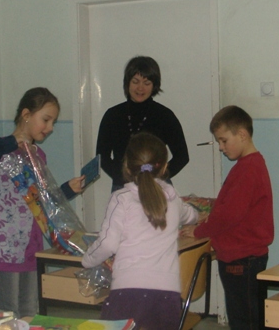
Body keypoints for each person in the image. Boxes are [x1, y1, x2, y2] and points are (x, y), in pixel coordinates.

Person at [0, 87, 85, 318]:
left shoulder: (39, 155)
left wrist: (69, 188)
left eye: (53, 122)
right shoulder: (1, 149)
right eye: (46, 120)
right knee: (7, 314)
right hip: (3, 247)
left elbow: (43, 201)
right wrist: (10, 142)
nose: (50, 128)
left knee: (29, 312)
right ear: (26, 114)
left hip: (30, 246)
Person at [82, 132, 198, 330]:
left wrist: (87, 259)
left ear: (127, 166)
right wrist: (197, 216)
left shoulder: (121, 198)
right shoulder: (173, 198)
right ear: (164, 167)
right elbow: (191, 215)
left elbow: (108, 244)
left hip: (128, 292)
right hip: (167, 295)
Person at [180, 105, 273, 330]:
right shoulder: (248, 165)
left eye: (223, 140)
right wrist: (209, 217)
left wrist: (199, 231)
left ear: (242, 134)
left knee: (244, 320)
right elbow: (230, 208)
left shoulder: (248, 169)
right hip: (244, 256)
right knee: (247, 316)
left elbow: (230, 214)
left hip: (242, 258)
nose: (221, 147)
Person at [96, 56, 189, 192]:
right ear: (127, 82)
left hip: (157, 187)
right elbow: (101, 157)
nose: (140, 88)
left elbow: (182, 156)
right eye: (135, 82)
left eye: (147, 83)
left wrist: (158, 176)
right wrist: (123, 177)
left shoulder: (165, 115)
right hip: (122, 186)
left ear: (154, 85)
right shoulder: (112, 115)